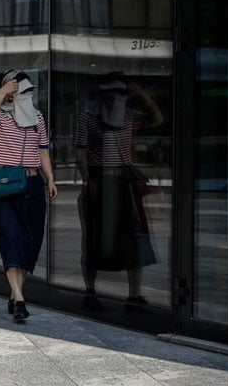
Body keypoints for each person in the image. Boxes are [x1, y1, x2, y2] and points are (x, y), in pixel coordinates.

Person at [74, 72, 163, 308]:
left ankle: (134, 293)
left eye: (121, 93)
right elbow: (80, 151)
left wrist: (142, 94)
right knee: (93, 237)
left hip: (124, 181)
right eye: (112, 93)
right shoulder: (88, 117)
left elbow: (158, 119)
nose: (117, 98)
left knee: (133, 237)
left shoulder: (131, 117)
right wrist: (87, 180)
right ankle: (90, 289)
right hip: (98, 180)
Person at [0, 69, 58, 322]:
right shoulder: (0, 117)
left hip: (32, 182)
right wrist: (3, 92)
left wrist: (51, 179)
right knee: (11, 238)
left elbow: (43, 151)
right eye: (20, 90)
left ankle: (16, 294)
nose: (26, 95)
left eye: (28, 90)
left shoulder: (37, 117)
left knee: (28, 240)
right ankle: (20, 299)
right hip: (4, 184)